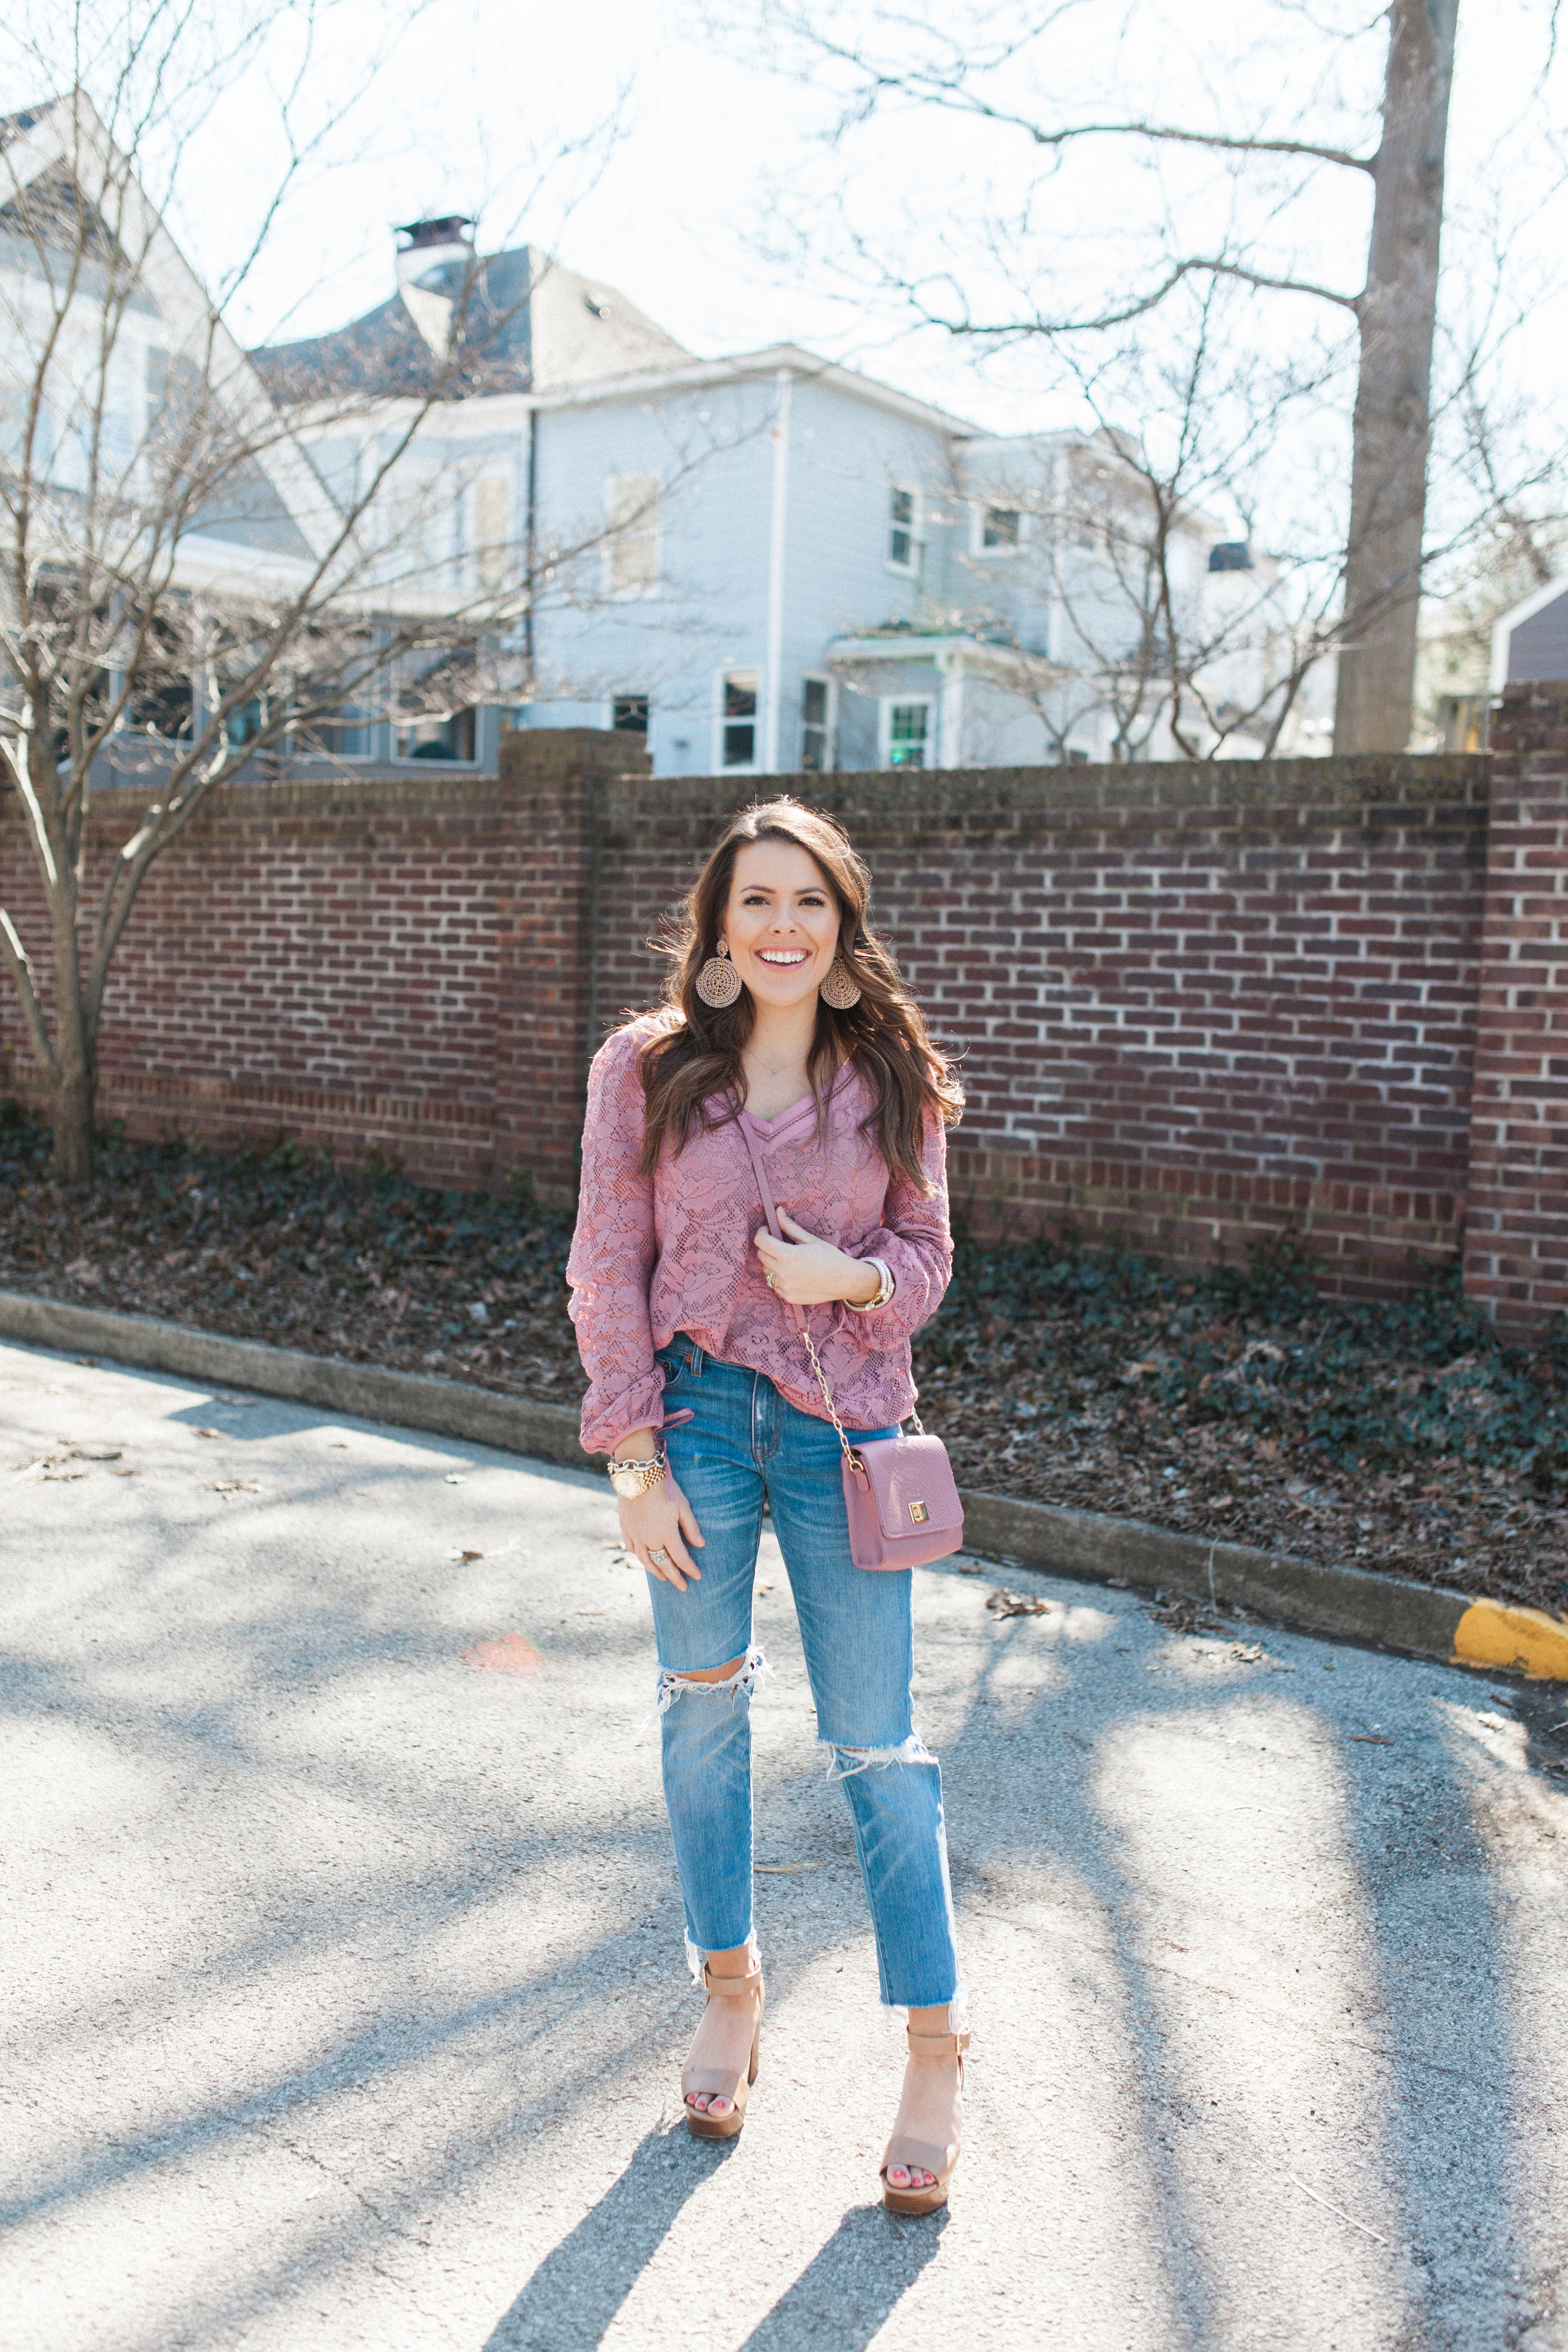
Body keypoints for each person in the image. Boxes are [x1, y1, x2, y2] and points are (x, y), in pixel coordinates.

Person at [566, 797, 969, 2216]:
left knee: (875, 1741)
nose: (782, 924)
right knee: (700, 1706)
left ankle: (931, 2042)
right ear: (719, 925)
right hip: (693, 1423)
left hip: (847, 1436)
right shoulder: (648, 1064)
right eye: (756, 901)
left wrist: (847, 1282)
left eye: (808, 900)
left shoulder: (892, 1072)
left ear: (841, 923)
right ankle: (729, 1989)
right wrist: (629, 1456)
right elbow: (604, 1260)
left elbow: (926, 1258)